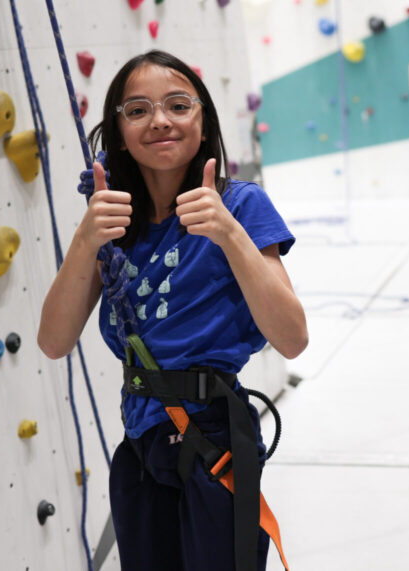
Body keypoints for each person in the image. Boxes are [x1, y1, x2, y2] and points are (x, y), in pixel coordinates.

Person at [37, 50, 307, 571]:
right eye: (137, 110)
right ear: (118, 132)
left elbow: (292, 338)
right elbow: (53, 342)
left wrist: (229, 234)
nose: (159, 120)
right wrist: (85, 239)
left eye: (177, 105)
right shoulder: (114, 220)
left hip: (211, 436)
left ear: (202, 122)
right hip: (140, 442)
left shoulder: (243, 205)